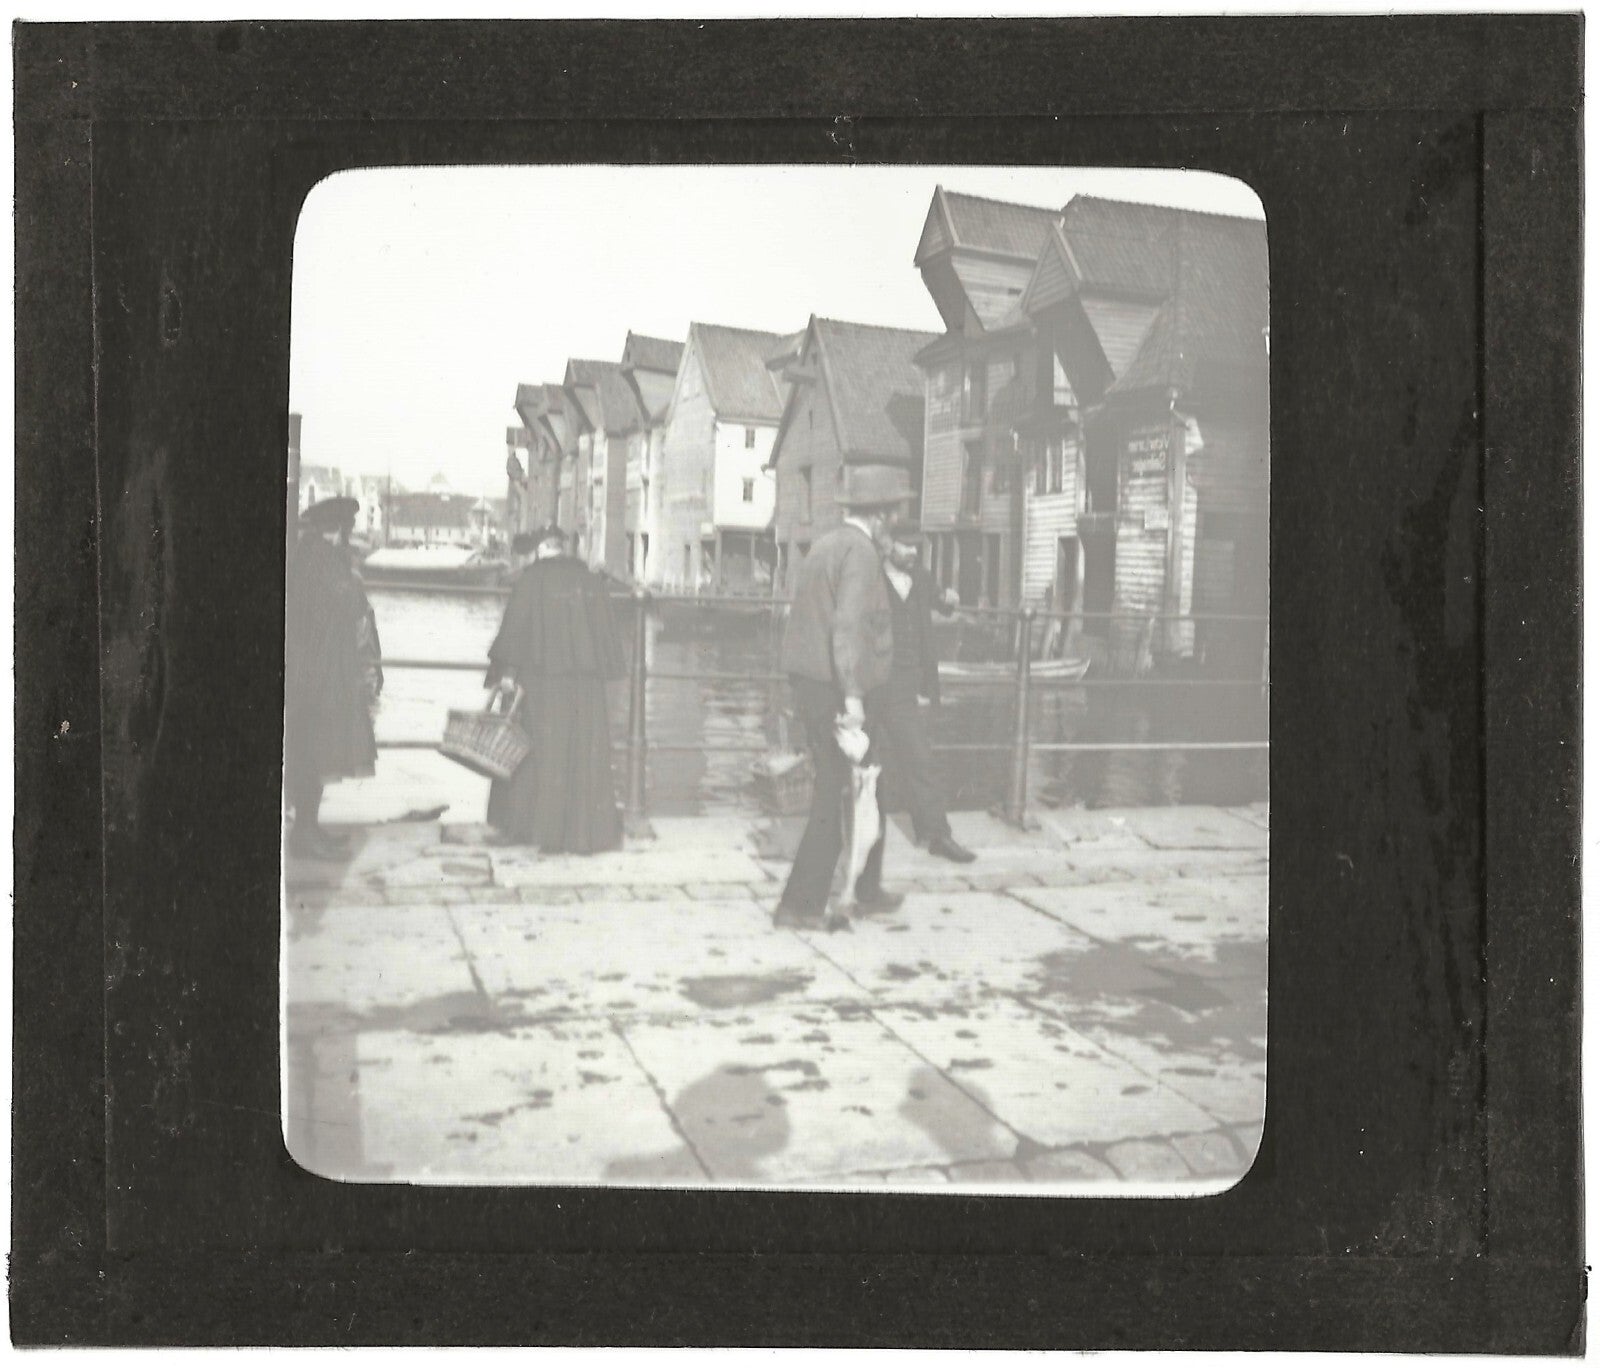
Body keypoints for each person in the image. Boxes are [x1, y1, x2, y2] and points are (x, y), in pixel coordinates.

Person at [773, 463, 912, 929]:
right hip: (837, 688)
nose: (898, 518)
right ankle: (799, 905)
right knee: (836, 794)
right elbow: (848, 628)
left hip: (814, 683)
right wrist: (852, 698)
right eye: (896, 510)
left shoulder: (828, 545)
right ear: (881, 514)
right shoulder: (861, 554)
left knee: (875, 784)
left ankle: (867, 889)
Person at [485, 524, 625, 853]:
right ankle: (581, 833)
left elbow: (514, 633)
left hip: (541, 683)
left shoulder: (530, 581)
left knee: (535, 755)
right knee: (580, 755)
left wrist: (506, 674)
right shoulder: (591, 581)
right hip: (584, 687)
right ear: (562, 547)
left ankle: (534, 830)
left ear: (539, 549)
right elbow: (608, 639)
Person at [284, 496, 382, 858]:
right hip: (316, 676)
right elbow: (351, 602)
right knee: (313, 752)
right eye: (345, 528)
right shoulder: (321, 561)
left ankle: (309, 830)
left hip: (312, 671)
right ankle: (305, 834)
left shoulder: (307, 556)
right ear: (338, 529)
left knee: (313, 752)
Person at [878, 516, 977, 864]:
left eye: (917, 548)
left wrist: (949, 598)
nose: (912, 554)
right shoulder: (871, 578)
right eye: (906, 547)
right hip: (872, 682)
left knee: (920, 759)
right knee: (856, 763)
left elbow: (939, 599)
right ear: (889, 545)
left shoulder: (919, 577)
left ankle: (936, 835)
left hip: (905, 685)